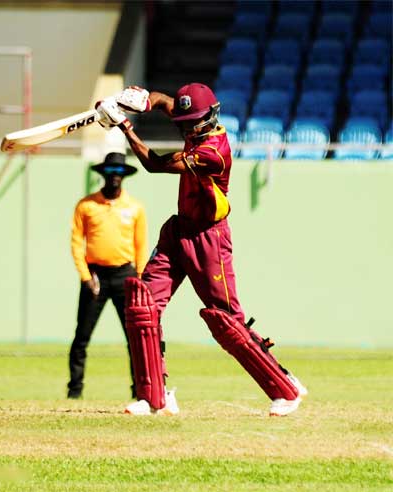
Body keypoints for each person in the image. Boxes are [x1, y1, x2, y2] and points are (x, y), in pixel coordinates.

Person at [96, 83, 307, 416]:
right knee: (142, 306)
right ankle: (154, 396)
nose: (186, 127)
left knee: (227, 322)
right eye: (184, 121)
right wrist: (139, 99)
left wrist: (124, 126)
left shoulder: (213, 151)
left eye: (192, 122)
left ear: (211, 116)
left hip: (209, 239)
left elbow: (155, 164)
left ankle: (285, 387)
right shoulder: (192, 122)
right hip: (178, 230)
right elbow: (166, 103)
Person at [66, 152, 147, 400]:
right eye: (111, 171)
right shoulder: (86, 205)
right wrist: (85, 276)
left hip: (126, 276)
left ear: (124, 176)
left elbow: (141, 245)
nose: (115, 177)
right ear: (103, 174)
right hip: (96, 277)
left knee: (134, 337)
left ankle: (140, 390)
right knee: (82, 337)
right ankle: (75, 390)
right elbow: (76, 242)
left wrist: (141, 279)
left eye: (119, 172)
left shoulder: (134, 208)